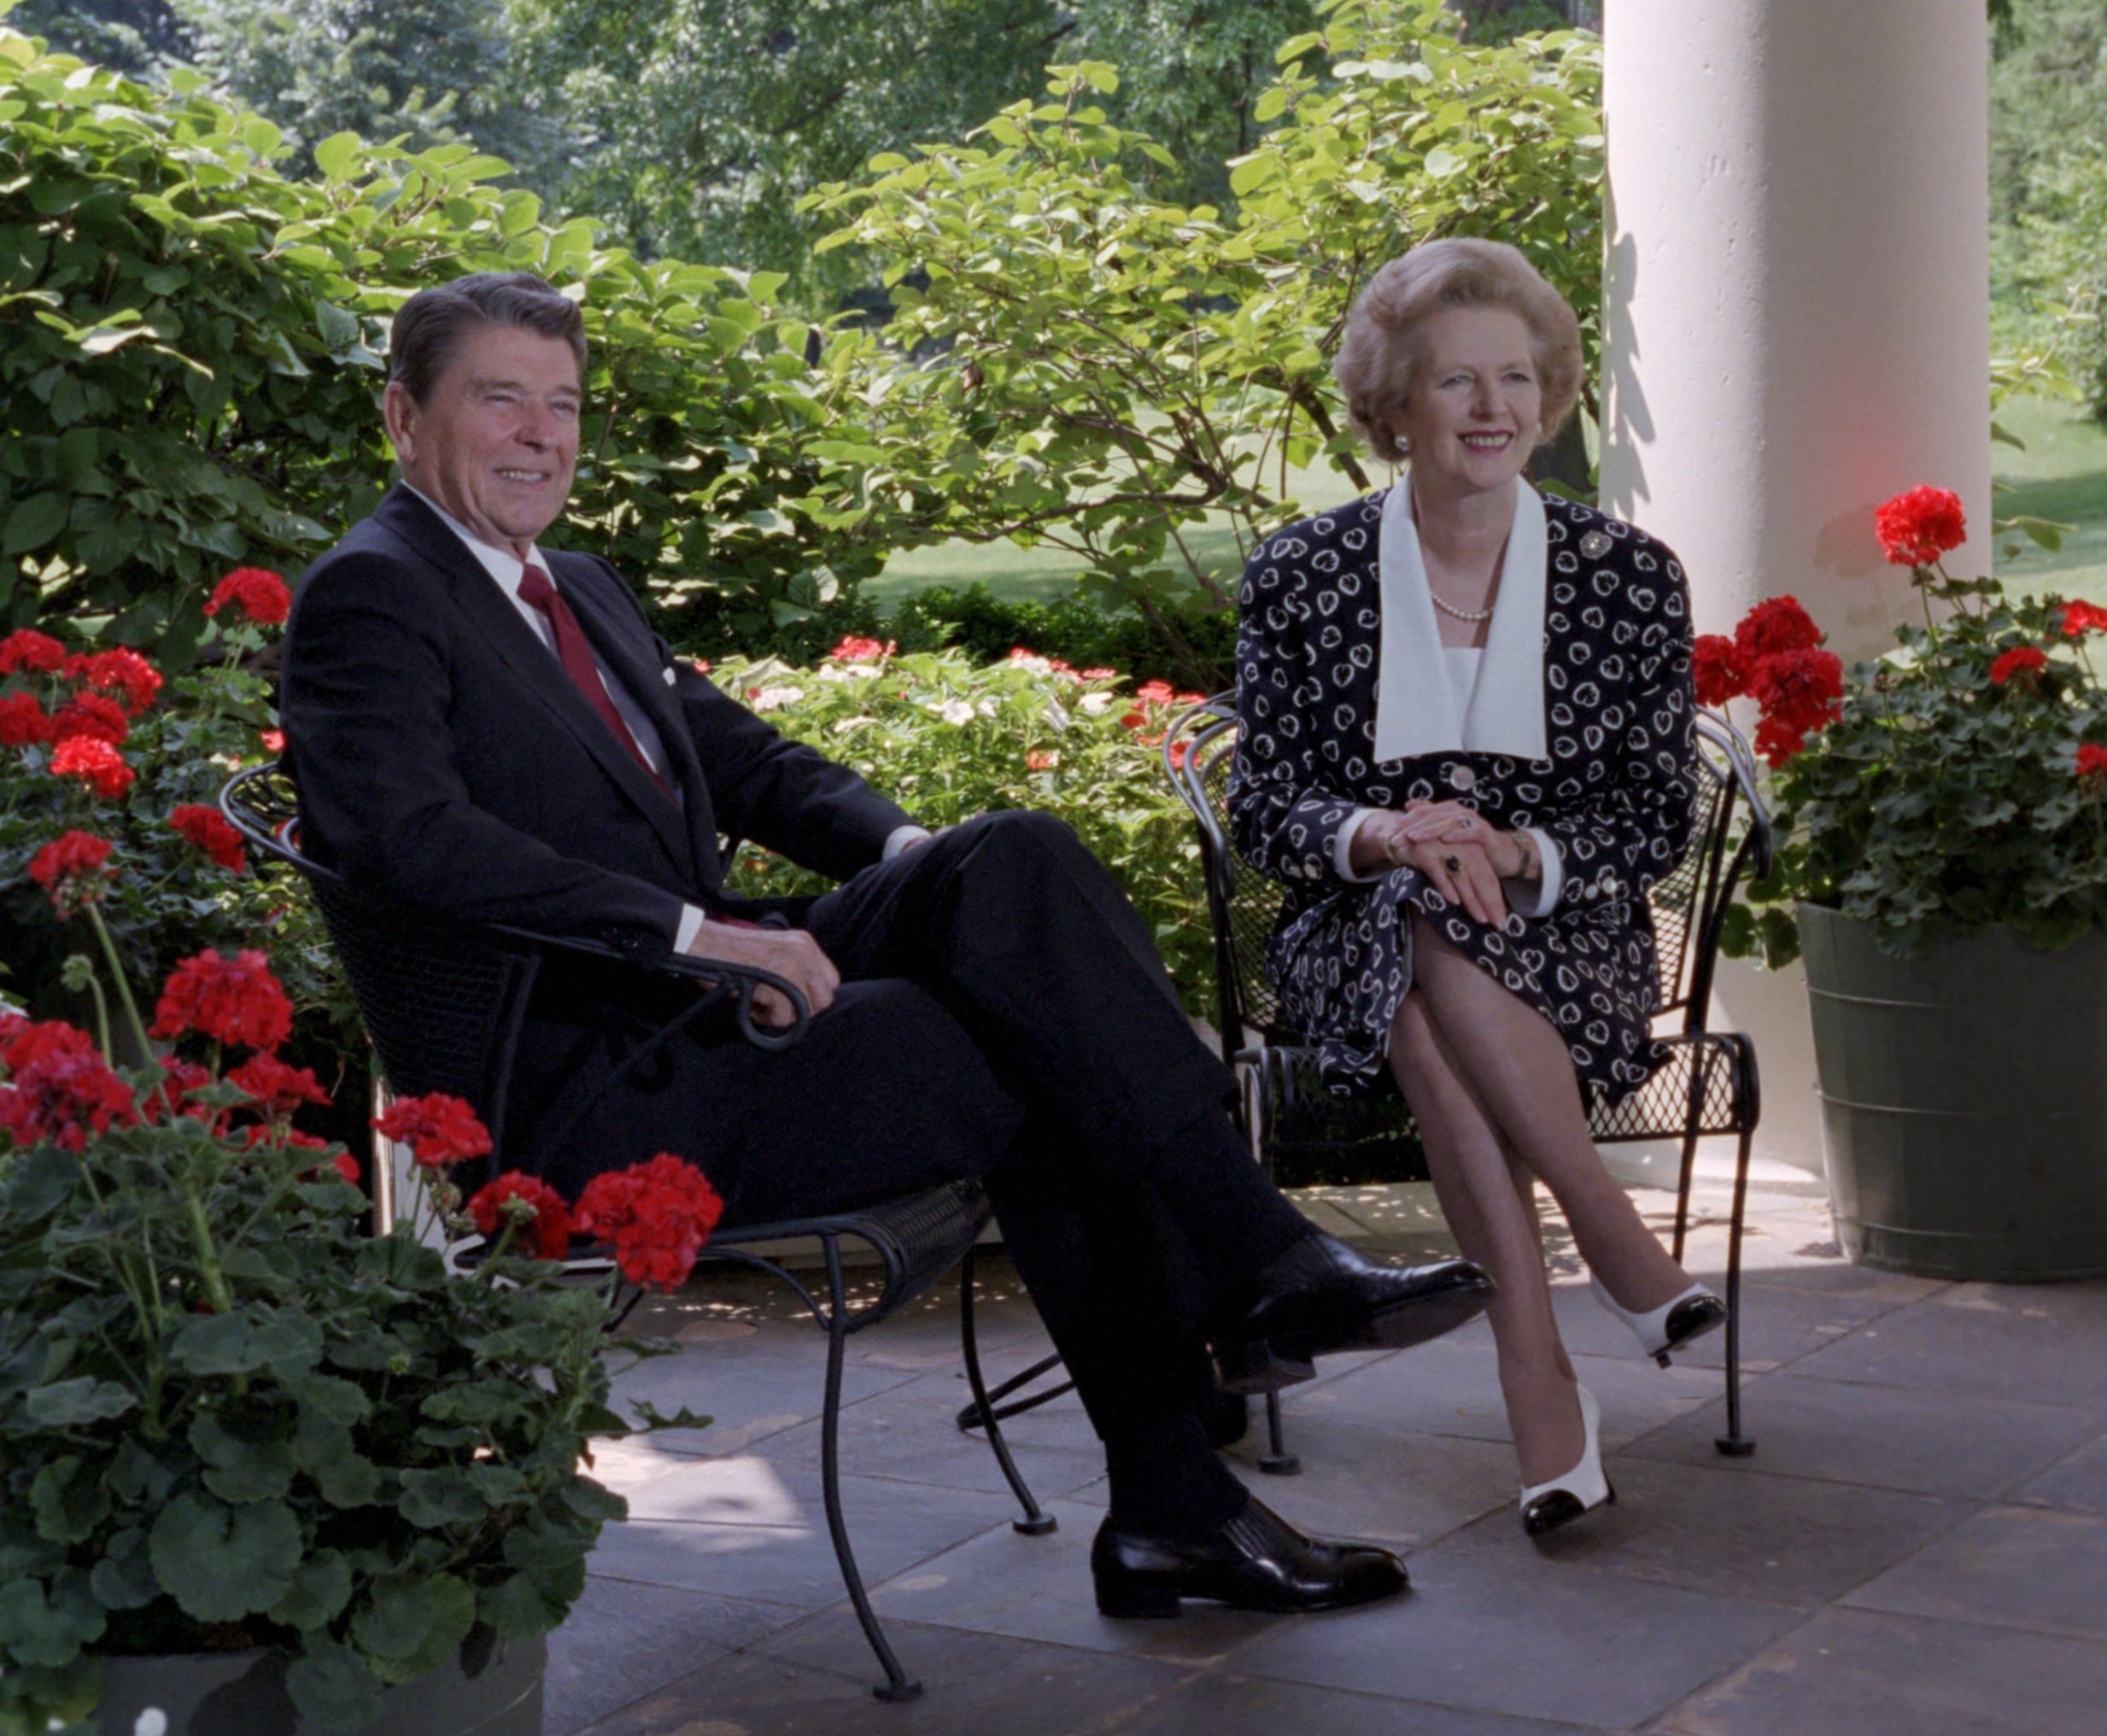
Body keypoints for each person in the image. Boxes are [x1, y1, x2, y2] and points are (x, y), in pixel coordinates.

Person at [280, 270, 1498, 1619]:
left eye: (560, 404)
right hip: (598, 1067)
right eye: (497, 399)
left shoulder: (575, 583)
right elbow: (414, 840)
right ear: (404, 415)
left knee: (1011, 863)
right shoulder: (371, 597)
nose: (539, 435)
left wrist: (915, 861)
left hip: (701, 1000)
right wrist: (700, 935)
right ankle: (1198, 1440)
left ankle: (1243, 1318)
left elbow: (734, 758)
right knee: (1032, 1054)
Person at [1228, 238, 1727, 1540]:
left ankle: (1539, 1375)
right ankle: (1606, 1243)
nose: (1494, 407)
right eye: (1456, 382)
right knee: (1408, 921)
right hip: (1358, 918)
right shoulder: (1302, 573)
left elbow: (1653, 816)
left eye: (1517, 376)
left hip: (1567, 931)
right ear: (1394, 405)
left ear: (1551, 393)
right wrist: (1390, 833)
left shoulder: (1629, 579)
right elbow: (1266, 807)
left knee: (1432, 966)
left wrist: (1515, 850)